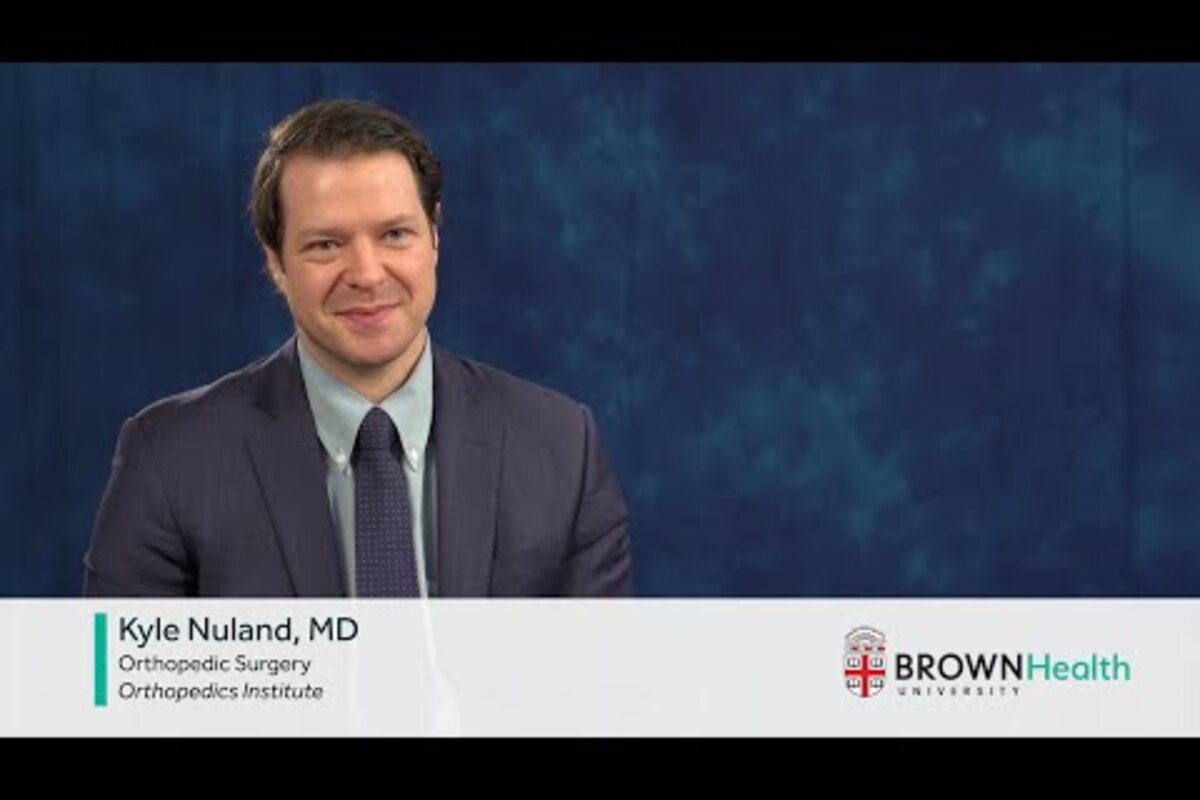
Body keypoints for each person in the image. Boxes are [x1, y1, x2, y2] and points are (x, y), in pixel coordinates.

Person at [83, 99, 633, 598]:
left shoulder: (563, 446)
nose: (367, 275)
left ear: (434, 236)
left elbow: (601, 672)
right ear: (275, 262)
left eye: (395, 234)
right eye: (326, 244)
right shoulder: (169, 459)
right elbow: (117, 671)